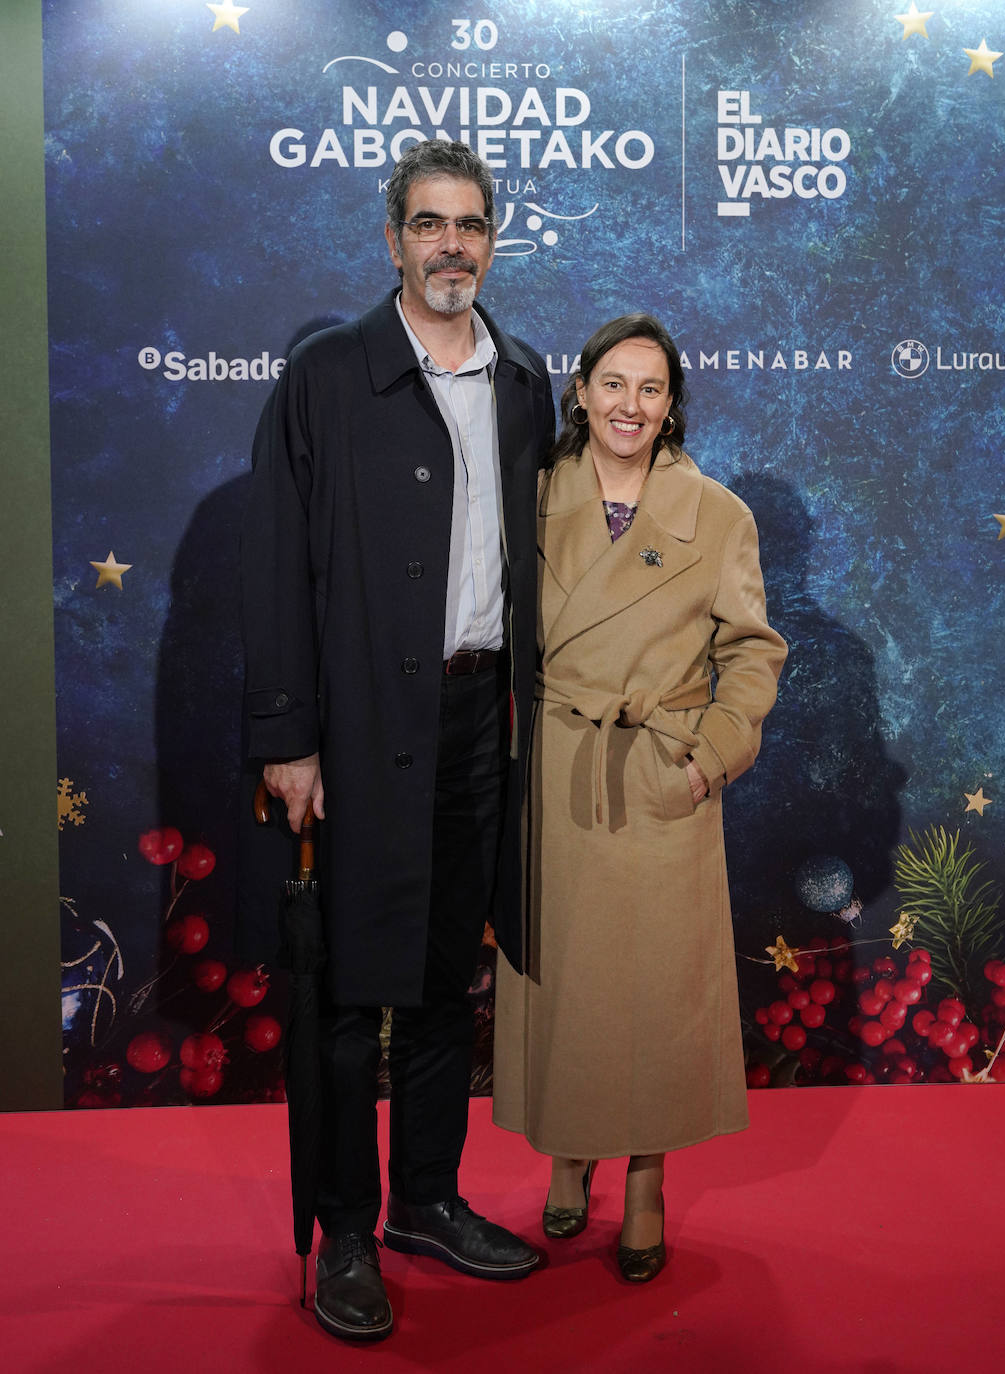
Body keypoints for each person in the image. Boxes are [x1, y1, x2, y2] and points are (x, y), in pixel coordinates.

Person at [239, 139, 555, 1341]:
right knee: (340, 996)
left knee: (437, 983)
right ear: (392, 242)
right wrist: (290, 737)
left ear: (490, 239)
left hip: (480, 720)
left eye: (469, 225)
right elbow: (272, 566)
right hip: (358, 728)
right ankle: (344, 1234)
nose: (450, 246)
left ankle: (427, 1197)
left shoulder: (524, 380)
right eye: (428, 225)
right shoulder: (326, 378)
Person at [492, 313, 787, 1283]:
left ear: (671, 407)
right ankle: (569, 1154)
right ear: (578, 394)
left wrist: (710, 753)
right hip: (556, 775)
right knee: (567, 985)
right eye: (611, 384)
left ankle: (648, 1177)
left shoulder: (719, 515)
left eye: (649, 389)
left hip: (658, 779)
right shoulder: (527, 499)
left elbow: (751, 651)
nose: (629, 404)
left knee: (655, 996)